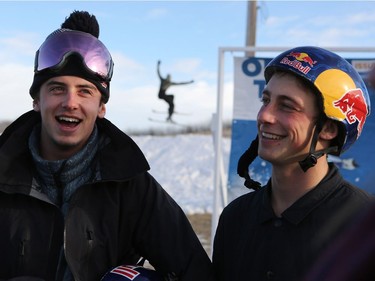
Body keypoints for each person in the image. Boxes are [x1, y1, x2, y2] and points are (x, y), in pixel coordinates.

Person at [0, 11, 213, 281]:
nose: (70, 102)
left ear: (101, 108)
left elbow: (195, 271)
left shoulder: (132, 187)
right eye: (56, 89)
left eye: (85, 91)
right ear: (36, 102)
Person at [212, 46, 373, 281]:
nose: (264, 116)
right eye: (265, 100)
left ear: (328, 128)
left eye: (287, 106)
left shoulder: (363, 227)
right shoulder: (235, 218)